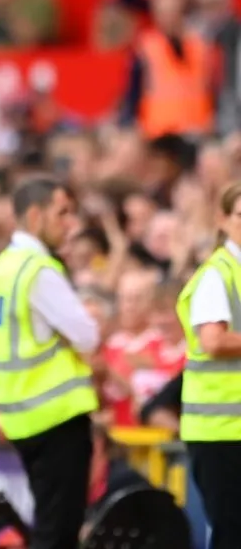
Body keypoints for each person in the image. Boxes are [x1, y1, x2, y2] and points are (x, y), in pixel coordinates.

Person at [0, 175, 100, 549]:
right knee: (58, 532)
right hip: (56, 414)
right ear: (34, 215)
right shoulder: (38, 268)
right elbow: (88, 335)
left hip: (21, 418)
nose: (70, 224)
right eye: (62, 213)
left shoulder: (2, 267)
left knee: (48, 525)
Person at [174, 180, 241, 549]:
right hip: (221, 432)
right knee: (231, 532)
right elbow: (213, 340)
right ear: (223, 219)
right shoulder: (218, 274)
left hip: (233, 429)